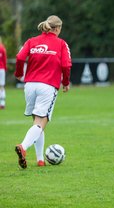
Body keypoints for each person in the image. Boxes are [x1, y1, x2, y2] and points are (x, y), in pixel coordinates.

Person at [14, 15, 72, 168]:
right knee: (41, 123)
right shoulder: (61, 44)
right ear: (58, 28)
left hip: (30, 85)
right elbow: (66, 65)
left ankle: (40, 160)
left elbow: (20, 57)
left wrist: (19, 73)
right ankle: (23, 147)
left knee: (37, 122)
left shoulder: (31, 41)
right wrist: (65, 82)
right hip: (47, 86)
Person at [0, 36, 7, 109]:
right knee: (2, 86)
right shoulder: (2, 48)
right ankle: (2, 103)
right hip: (1, 69)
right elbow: (4, 59)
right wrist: (5, 68)